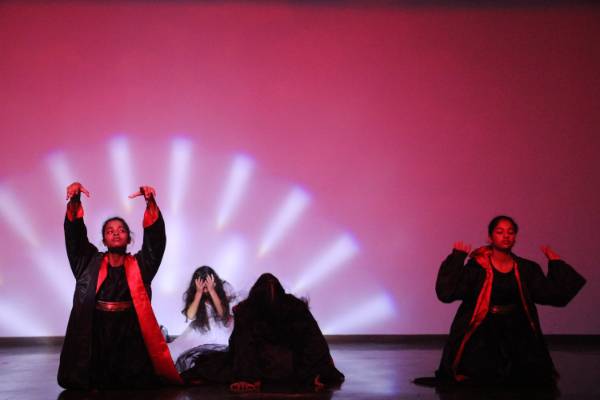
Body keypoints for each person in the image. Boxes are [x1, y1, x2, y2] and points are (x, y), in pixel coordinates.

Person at [416, 216, 586, 387]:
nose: (506, 236)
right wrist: (456, 260)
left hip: (516, 330)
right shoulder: (478, 267)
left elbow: (550, 294)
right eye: (500, 232)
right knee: (479, 377)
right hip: (484, 331)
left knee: (529, 378)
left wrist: (556, 264)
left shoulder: (525, 268)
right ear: (490, 238)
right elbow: (447, 293)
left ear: (515, 237)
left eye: (510, 232)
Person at [57, 182, 183, 390]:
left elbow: (156, 244)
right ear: (104, 241)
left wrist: (151, 204)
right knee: (96, 382)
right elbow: (75, 240)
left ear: (129, 239)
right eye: (110, 231)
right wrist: (75, 201)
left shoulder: (141, 265)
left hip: (129, 333)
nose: (116, 233)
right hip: (98, 332)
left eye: (121, 230)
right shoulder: (88, 263)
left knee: (135, 384)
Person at [179, 273, 345, 390]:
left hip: (288, 364)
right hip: (269, 365)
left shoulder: (295, 308)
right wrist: (247, 377)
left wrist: (315, 371)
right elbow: (243, 345)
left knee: (214, 369)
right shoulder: (246, 311)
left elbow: (313, 340)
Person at [168, 266, 236, 371]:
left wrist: (212, 291)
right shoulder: (195, 293)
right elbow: (190, 316)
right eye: (203, 287)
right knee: (181, 351)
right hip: (202, 327)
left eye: (207, 287)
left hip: (221, 326)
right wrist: (198, 293)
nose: (205, 290)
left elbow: (222, 313)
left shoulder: (223, 290)